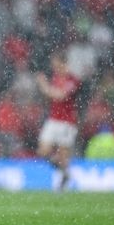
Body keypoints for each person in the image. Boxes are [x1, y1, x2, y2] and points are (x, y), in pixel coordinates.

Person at [36, 50, 81, 191]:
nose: (53, 66)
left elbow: (60, 96)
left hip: (67, 122)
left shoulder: (72, 80)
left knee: (63, 156)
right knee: (42, 151)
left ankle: (63, 180)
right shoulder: (55, 78)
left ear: (63, 63)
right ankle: (65, 172)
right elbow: (52, 97)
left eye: (55, 63)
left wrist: (43, 85)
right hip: (53, 120)